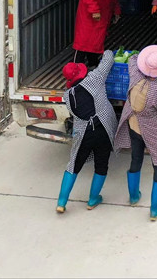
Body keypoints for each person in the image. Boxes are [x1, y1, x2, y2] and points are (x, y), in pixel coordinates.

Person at [56, 51, 118, 213]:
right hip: (102, 129)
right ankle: (93, 199)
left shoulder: (67, 95)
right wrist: (106, 51)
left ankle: (61, 202)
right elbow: (109, 59)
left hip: (83, 133)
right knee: (101, 165)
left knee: (73, 165)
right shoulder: (95, 78)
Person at [114, 45, 157, 221]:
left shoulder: (135, 74)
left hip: (133, 123)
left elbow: (132, 59)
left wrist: (142, 57)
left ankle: (133, 197)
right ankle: (155, 210)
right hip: (152, 128)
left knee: (136, 158)